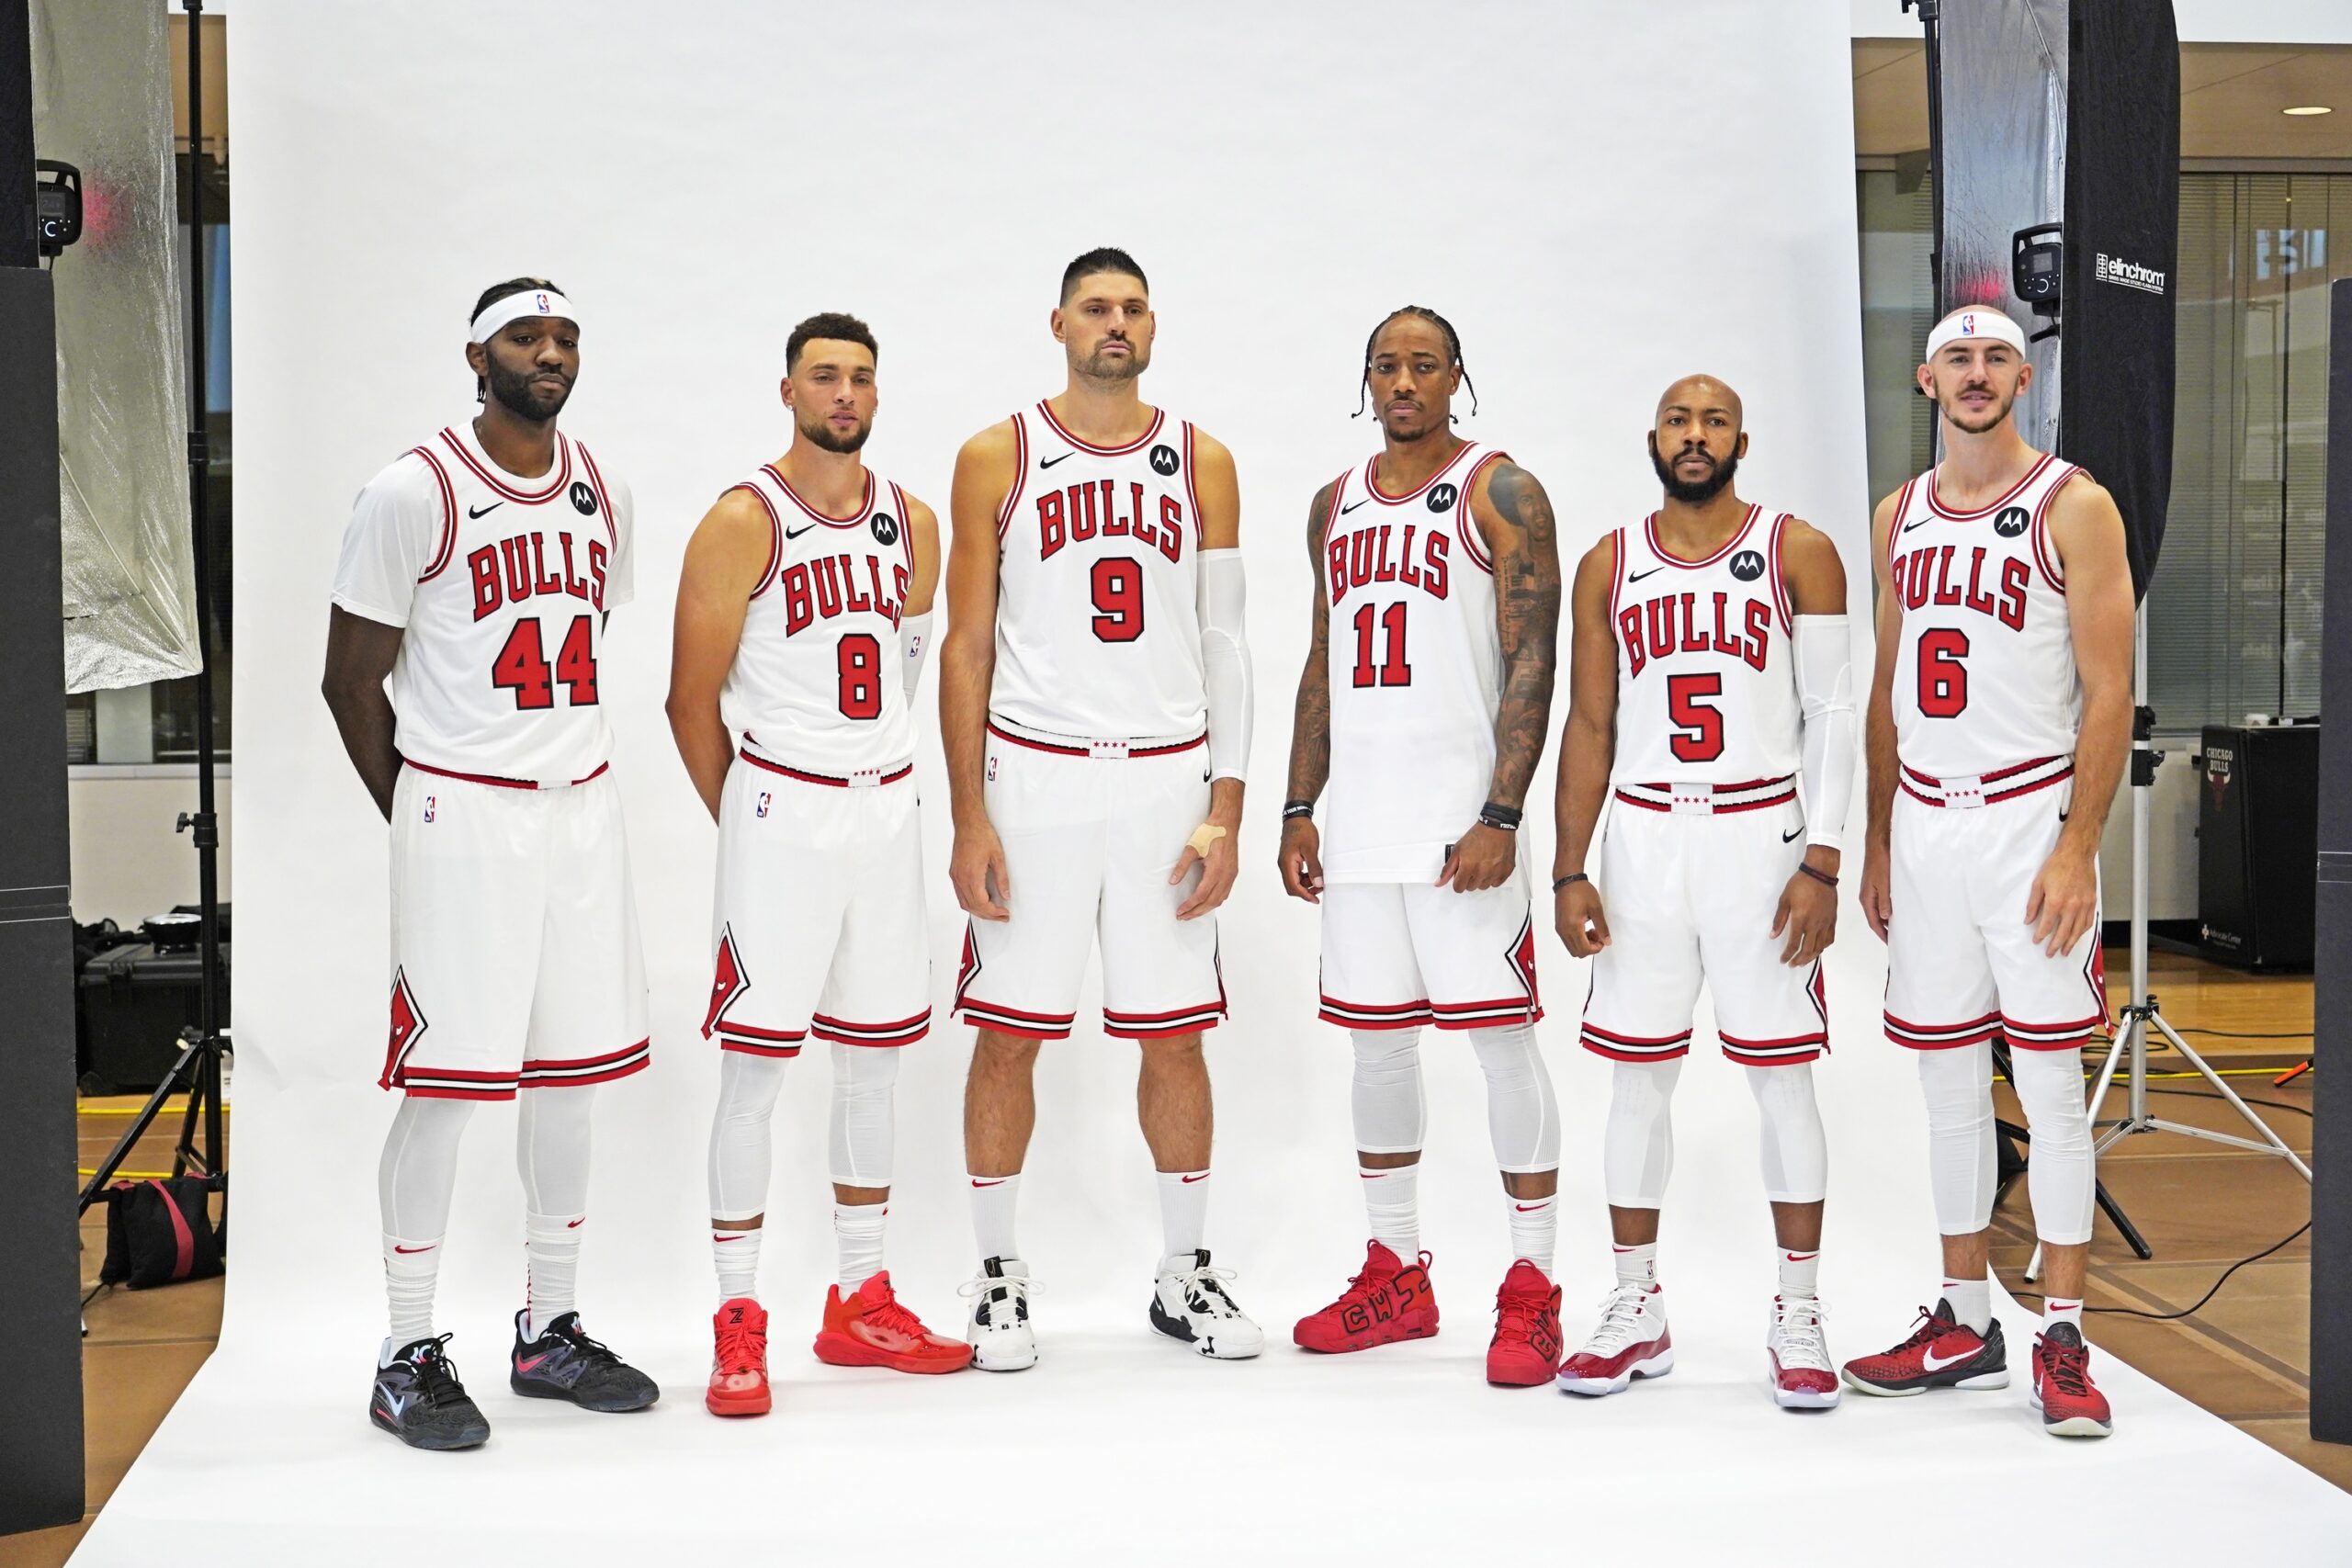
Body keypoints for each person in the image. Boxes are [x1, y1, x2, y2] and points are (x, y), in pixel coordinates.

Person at [323, 277, 658, 1450]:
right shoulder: (415, 487)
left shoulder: (606, 485)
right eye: (527, 336)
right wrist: (420, 805)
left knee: (567, 1076)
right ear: (477, 354)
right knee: (447, 1085)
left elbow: (592, 635)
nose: (549, 353)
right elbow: (348, 679)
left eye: (565, 337)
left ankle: (548, 1329)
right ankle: (405, 1350)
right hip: (465, 815)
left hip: (580, 812)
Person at [942, 247, 1261, 1368]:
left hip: (1166, 777)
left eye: (1129, 309)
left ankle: (1185, 1273)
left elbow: (1224, 641)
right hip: (1034, 774)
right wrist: (968, 815)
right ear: (1058, 323)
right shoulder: (996, 454)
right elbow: (967, 642)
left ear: (1153, 325)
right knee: (1007, 1034)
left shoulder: (1202, 457)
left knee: (1174, 1032)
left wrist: (1225, 805)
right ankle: (997, 1276)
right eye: (1094, 308)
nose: (1112, 324)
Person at [668, 311, 968, 1418]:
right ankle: (739, 1317)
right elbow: (686, 701)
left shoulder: (914, 523)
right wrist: (748, 821)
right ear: (786, 391)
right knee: (754, 1070)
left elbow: (904, 676)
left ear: (878, 397)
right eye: (823, 377)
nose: (843, 394)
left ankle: (859, 1296)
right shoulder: (742, 520)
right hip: (782, 808)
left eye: (860, 379)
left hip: (886, 812)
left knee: (875, 1060)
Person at [1841, 304, 2132, 1439]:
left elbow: (2108, 691)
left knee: (2052, 1086)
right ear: (1925, 379)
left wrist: (2077, 845)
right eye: (1956, 357)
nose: (1974, 374)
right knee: (1948, 1089)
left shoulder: (2075, 504)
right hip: (1924, 827)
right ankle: (1963, 1318)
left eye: (1994, 358)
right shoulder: (1896, 514)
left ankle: (2063, 1332)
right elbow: (1887, 687)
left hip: (2024, 822)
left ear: (2024, 375)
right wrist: (1875, 836)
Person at [1551, 375, 1854, 1410]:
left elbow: (1831, 718)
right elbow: (1587, 725)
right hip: (1642, 836)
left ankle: (1799, 1310)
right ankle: (1635, 1305)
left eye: (1712, 421)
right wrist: (1568, 863)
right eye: (1678, 422)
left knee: (1781, 1078)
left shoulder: (1796, 548)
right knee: (1637, 1077)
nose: (1694, 436)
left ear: (1740, 439)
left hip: (1757, 834)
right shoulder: (1610, 560)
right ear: (1652, 439)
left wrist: (1822, 857)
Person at [1279, 309, 1566, 1385]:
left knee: (1499, 1043)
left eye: (1424, 364)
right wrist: (1297, 805)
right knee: (1377, 1048)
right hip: (1358, 825)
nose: (1404, 380)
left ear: (1456, 378)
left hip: (1459, 828)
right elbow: (1322, 656)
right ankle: (1395, 1271)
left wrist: (1500, 814)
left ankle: (1532, 1286)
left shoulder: (1501, 490)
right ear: (1366, 381)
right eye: (1386, 366)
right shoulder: (1334, 504)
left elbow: (1532, 655)